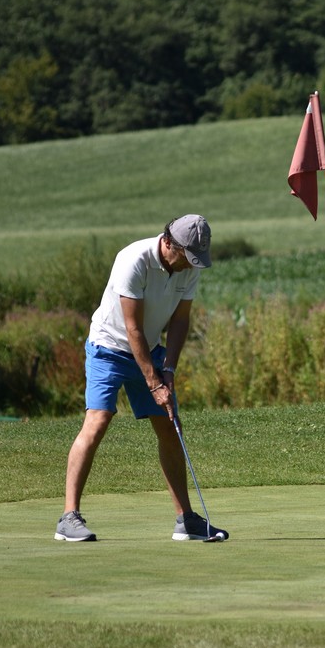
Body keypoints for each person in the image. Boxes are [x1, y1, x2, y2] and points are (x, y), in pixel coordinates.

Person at [54, 215, 229, 542]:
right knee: (98, 420)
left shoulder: (187, 267)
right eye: (187, 257)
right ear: (170, 244)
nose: (190, 266)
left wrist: (170, 371)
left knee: (168, 425)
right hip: (109, 346)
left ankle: (186, 520)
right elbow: (131, 327)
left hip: (150, 348)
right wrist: (153, 382)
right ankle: (69, 517)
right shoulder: (133, 259)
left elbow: (180, 321)